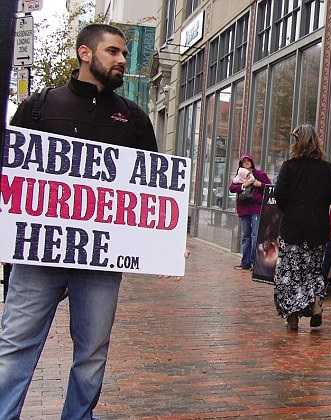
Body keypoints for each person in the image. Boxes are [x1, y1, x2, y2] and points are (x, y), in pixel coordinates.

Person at [0, 24, 160, 419]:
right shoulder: (38, 107)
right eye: (113, 52)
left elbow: (153, 188)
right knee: (15, 345)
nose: (122, 60)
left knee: (92, 352)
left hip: (102, 260)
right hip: (39, 253)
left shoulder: (134, 119)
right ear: (84, 54)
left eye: (123, 53)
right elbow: (12, 180)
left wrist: (163, 244)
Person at [273, 124, 331, 330]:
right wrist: (319, 202)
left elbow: (279, 195)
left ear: (297, 143)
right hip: (317, 229)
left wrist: (291, 208)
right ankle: (316, 307)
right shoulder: (326, 168)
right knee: (313, 271)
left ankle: (293, 316)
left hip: (293, 229)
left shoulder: (289, 166)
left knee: (291, 273)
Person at [229, 155, 271, 270]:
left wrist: (260, 184)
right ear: (241, 164)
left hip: (256, 209)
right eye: (244, 161)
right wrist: (244, 185)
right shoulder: (239, 175)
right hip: (243, 209)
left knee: (255, 235)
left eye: (248, 161)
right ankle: (245, 263)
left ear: (252, 162)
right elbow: (232, 188)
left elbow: (270, 188)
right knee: (246, 236)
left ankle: (254, 263)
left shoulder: (260, 175)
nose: (246, 163)